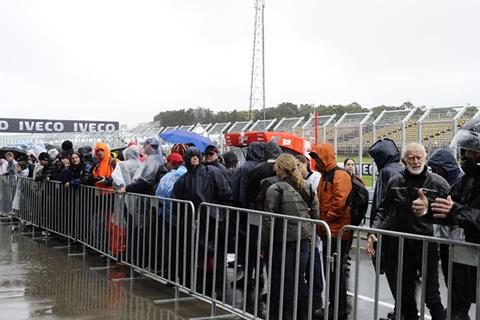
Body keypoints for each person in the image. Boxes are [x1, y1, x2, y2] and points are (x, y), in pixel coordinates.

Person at [367, 143, 449, 320]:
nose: (416, 161)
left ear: (425, 158)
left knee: (432, 296)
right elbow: (384, 210)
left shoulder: (439, 183)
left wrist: (429, 210)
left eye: (419, 157)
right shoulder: (395, 181)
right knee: (405, 296)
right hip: (402, 245)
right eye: (411, 157)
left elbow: (450, 214)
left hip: (428, 245)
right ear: (403, 161)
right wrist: (374, 231)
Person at [431, 117, 480, 320]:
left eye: (473, 151)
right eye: (466, 150)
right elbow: (449, 205)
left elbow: (457, 211)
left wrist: (454, 212)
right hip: (468, 260)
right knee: (457, 311)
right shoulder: (468, 179)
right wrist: (427, 209)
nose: (467, 155)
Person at [263, 153, 319, 320]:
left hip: (282, 242)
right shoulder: (307, 187)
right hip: (303, 241)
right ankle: (301, 314)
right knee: (298, 278)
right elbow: (315, 215)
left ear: (280, 168)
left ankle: (282, 314)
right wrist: (310, 233)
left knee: (281, 281)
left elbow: (268, 220)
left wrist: (263, 245)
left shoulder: (275, 189)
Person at [309, 143, 352, 320]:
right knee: (332, 271)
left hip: (337, 231)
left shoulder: (339, 175)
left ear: (325, 157)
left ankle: (338, 307)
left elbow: (339, 203)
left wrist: (324, 221)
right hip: (330, 230)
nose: (316, 161)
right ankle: (335, 305)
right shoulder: (327, 175)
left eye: (318, 158)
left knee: (335, 271)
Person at [367, 138, 403, 320]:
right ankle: (403, 309)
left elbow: (380, 204)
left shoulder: (386, 172)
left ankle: (401, 311)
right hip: (403, 231)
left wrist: (373, 230)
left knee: (392, 270)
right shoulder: (401, 168)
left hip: (388, 232)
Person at [427, 149, 464, 285]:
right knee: (449, 276)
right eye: (434, 170)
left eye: (439, 170)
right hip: (445, 238)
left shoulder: (462, 182)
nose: (437, 173)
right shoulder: (441, 183)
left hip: (459, 239)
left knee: (458, 279)